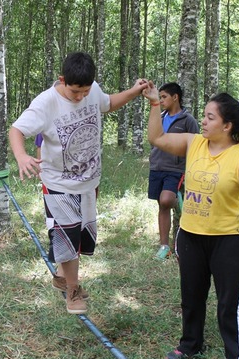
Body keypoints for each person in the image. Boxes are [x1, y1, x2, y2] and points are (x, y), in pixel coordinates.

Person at [143, 80, 239, 359]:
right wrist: (153, 104)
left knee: (230, 302)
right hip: (190, 236)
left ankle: (236, 358)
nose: (203, 120)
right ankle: (190, 346)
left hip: (229, 239)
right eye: (204, 115)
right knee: (191, 295)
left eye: (210, 117)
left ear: (227, 125)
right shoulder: (194, 142)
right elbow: (157, 137)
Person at [9, 52, 149, 314]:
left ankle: (62, 276)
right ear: (62, 80)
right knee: (67, 238)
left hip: (88, 181)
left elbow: (107, 103)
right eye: (75, 91)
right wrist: (21, 156)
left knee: (80, 237)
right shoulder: (46, 103)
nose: (80, 97)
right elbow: (16, 130)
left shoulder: (92, 90)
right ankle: (73, 290)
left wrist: (133, 91)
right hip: (59, 182)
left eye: (85, 91)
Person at [148, 83, 199, 260]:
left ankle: (178, 203)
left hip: (176, 169)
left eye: (164, 97)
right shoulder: (159, 117)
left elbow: (196, 147)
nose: (161, 100)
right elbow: (153, 139)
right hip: (157, 167)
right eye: (159, 97)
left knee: (167, 199)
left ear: (175, 97)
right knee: (161, 205)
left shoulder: (187, 120)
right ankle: (164, 246)